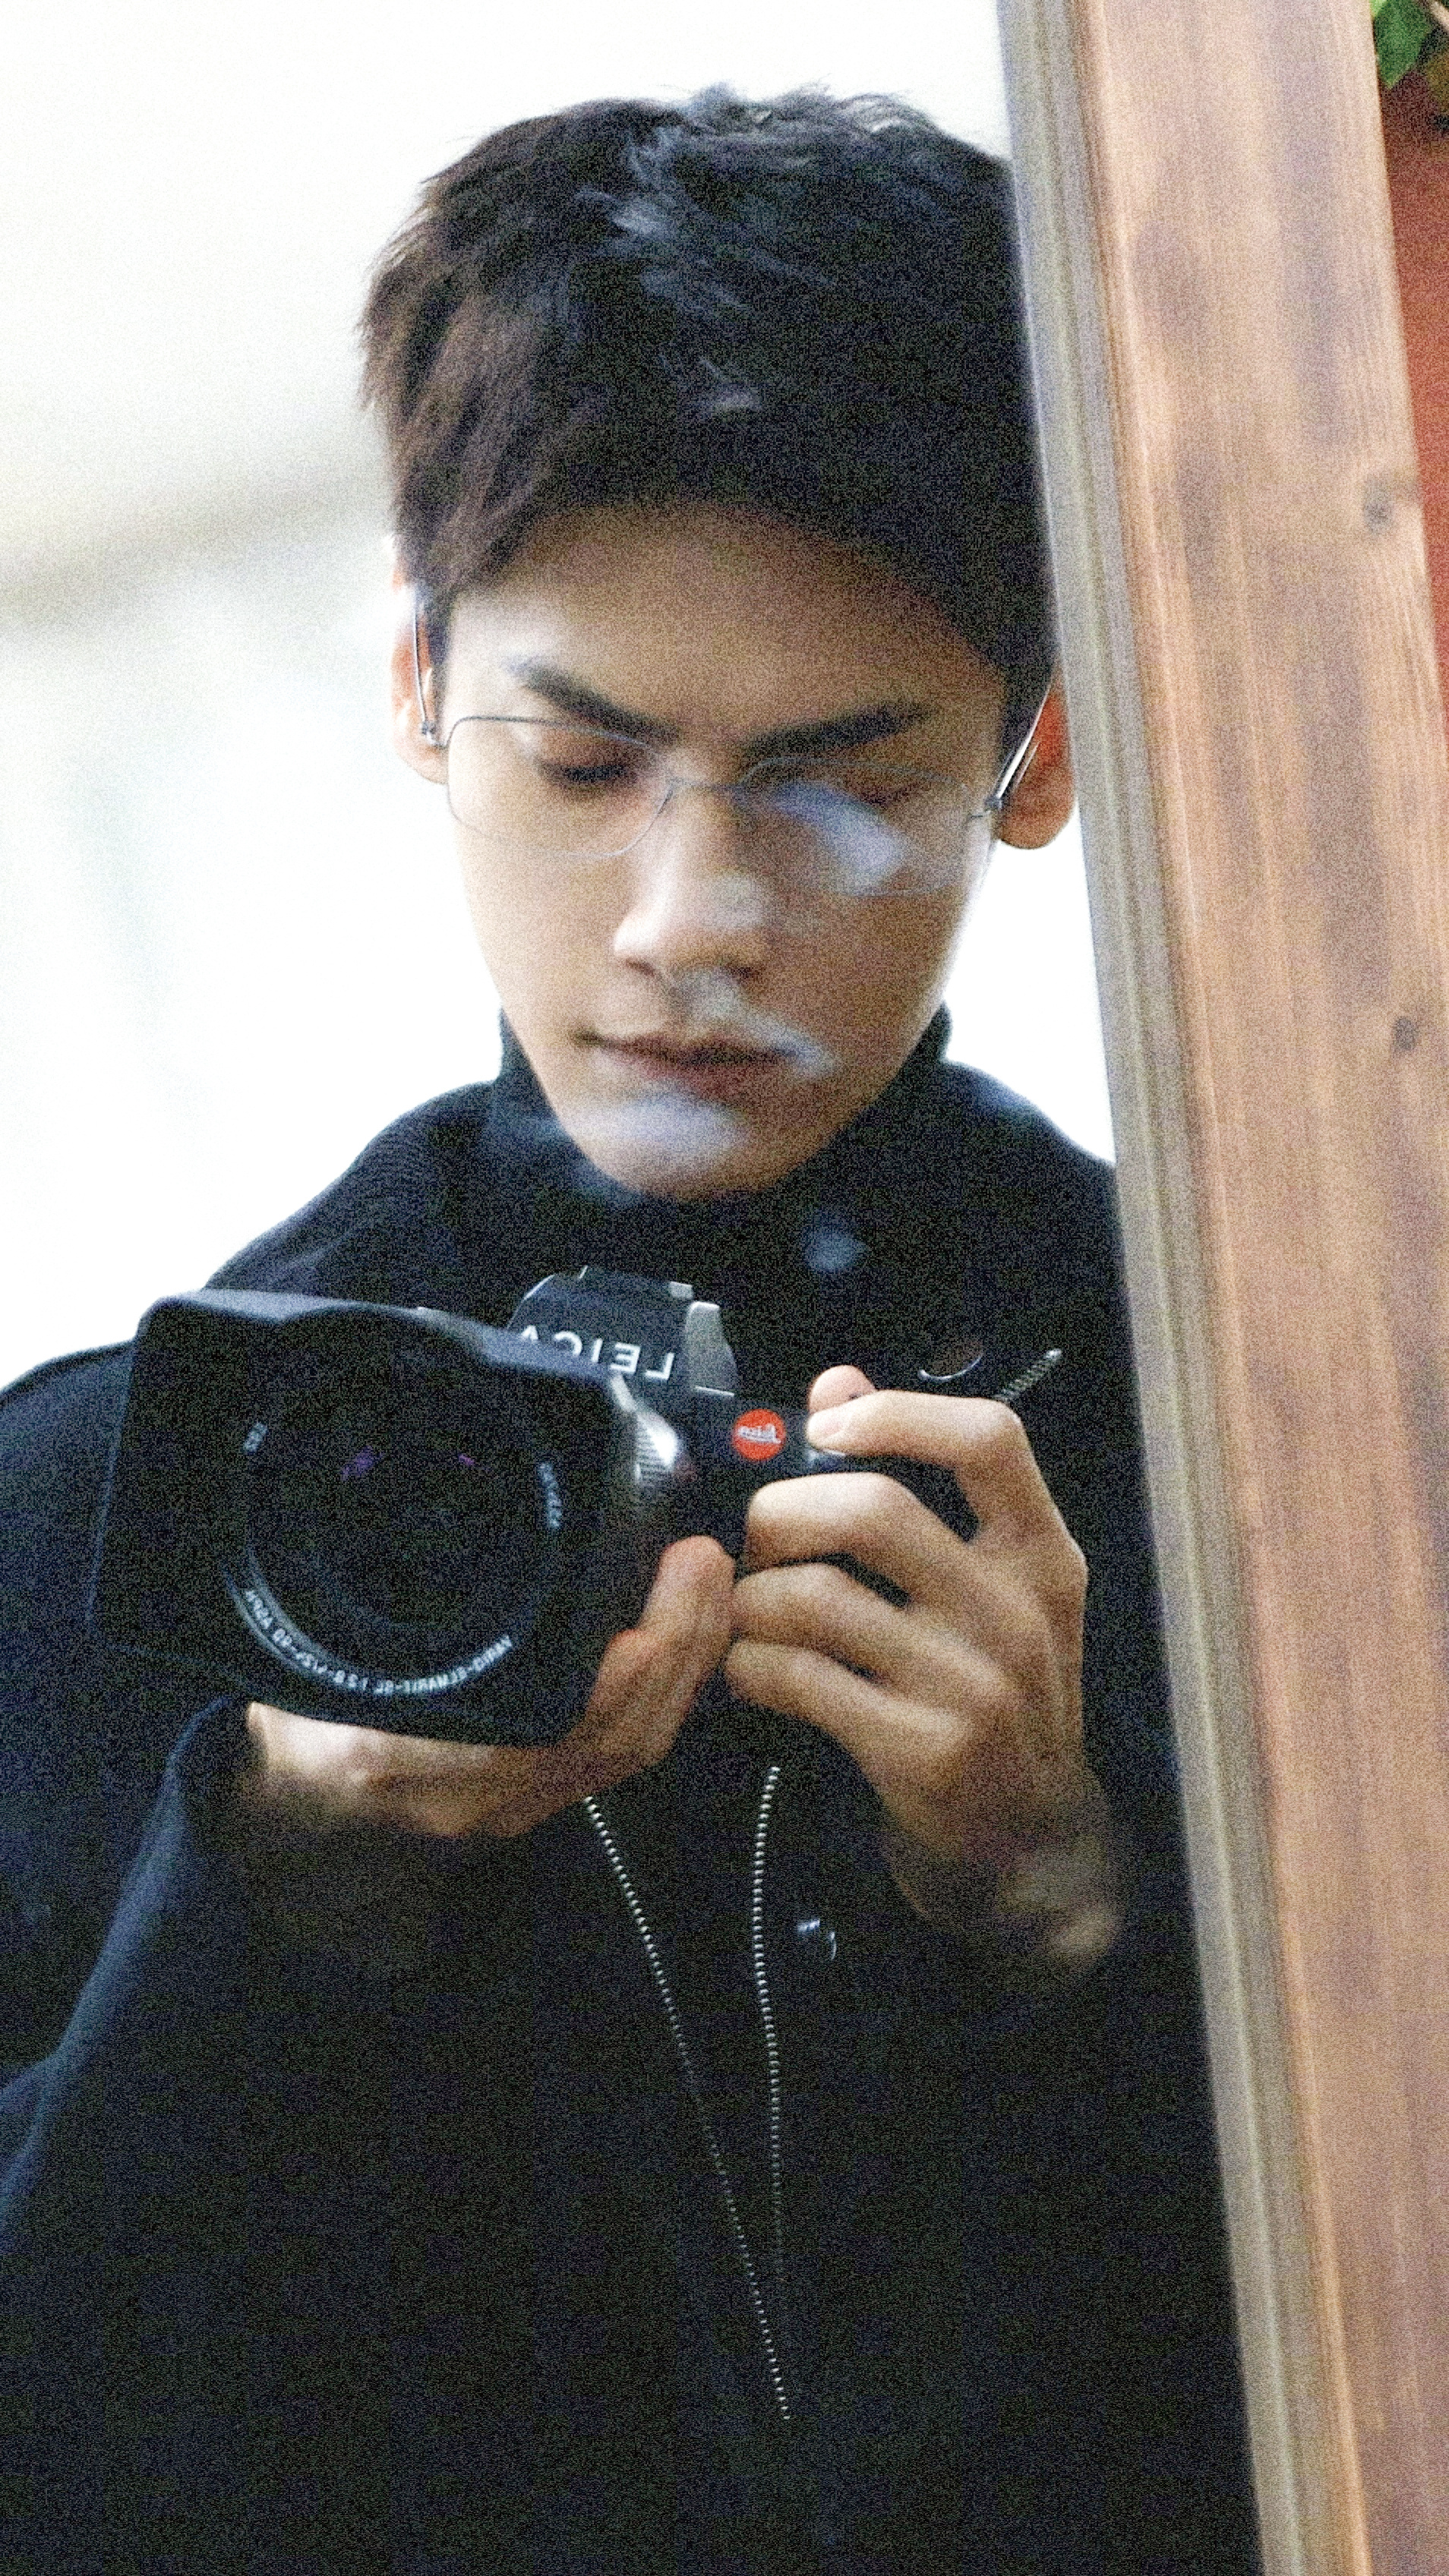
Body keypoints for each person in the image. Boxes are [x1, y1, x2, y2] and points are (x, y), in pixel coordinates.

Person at [0, 88, 1261, 2574]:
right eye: (582, 760)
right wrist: (277, 1876)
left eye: (836, 775)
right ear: (413, 689)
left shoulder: (1276, 1435)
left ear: (1035, 754)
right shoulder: (94, 1505)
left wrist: (1065, 1896)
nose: (691, 915)